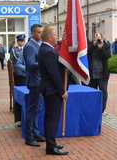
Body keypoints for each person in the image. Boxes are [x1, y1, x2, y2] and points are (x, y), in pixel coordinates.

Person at [38, 27, 69, 155]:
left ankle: (52, 143)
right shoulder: (48, 51)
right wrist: (62, 91)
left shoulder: (46, 49)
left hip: (49, 88)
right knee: (52, 118)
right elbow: (54, 74)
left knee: (50, 117)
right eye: (55, 35)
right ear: (49, 38)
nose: (57, 37)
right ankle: (51, 147)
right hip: (52, 90)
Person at [23, 24, 46, 147]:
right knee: (32, 109)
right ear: (33, 33)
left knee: (37, 108)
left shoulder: (37, 45)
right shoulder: (30, 46)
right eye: (38, 32)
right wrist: (44, 62)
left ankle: (36, 133)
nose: (40, 35)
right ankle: (29, 136)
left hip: (39, 81)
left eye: (41, 32)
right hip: (34, 82)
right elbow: (31, 64)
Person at [87, 33, 111, 113]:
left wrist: (101, 48)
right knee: (93, 91)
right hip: (92, 74)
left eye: (98, 38)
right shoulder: (90, 45)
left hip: (102, 74)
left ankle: (102, 109)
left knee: (103, 91)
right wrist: (93, 46)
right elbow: (87, 53)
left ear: (101, 38)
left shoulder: (106, 45)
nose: (97, 40)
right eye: (95, 37)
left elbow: (107, 56)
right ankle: (93, 107)